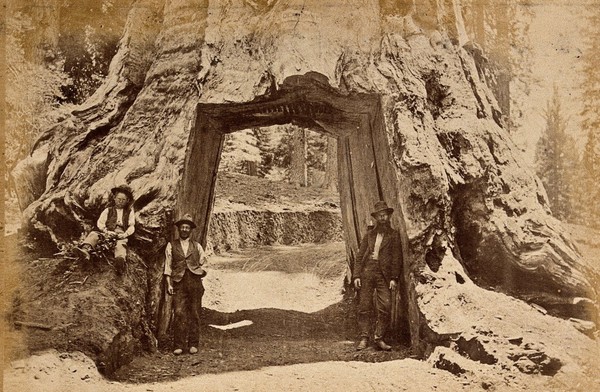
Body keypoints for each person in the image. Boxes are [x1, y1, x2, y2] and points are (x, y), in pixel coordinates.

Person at [353, 200, 402, 351]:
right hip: (367, 272)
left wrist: (394, 278)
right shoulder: (369, 235)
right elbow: (360, 256)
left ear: (388, 217)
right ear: (376, 218)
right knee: (364, 306)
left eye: (384, 215)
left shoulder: (393, 236)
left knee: (385, 306)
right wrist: (356, 276)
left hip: (384, 275)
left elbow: (396, 258)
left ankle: (379, 337)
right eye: (379, 216)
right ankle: (364, 338)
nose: (382, 218)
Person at [164, 213, 207, 355]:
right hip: (179, 282)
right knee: (179, 312)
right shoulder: (171, 245)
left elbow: (203, 262)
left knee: (194, 312)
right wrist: (169, 283)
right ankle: (179, 345)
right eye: (182, 227)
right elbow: (168, 266)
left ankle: (193, 344)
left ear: (190, 230)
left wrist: (198, 271)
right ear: (178, 229)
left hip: (194, 282)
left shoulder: (197, 246)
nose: (184, 229)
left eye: (187, 227)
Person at [74, 185, 135, 273]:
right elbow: (100, 223)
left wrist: (124, 235)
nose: (120, 202)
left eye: (123, 200)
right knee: (94, 234)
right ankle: (85, 250)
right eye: (118, 199)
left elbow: (132, 226)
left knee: (121, 244)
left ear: (127, 201)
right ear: (114, 198)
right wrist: (106, 231)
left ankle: (120, 261)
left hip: (121, 233)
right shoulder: (108, 210)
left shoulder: (129, 212)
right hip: (108, 232)